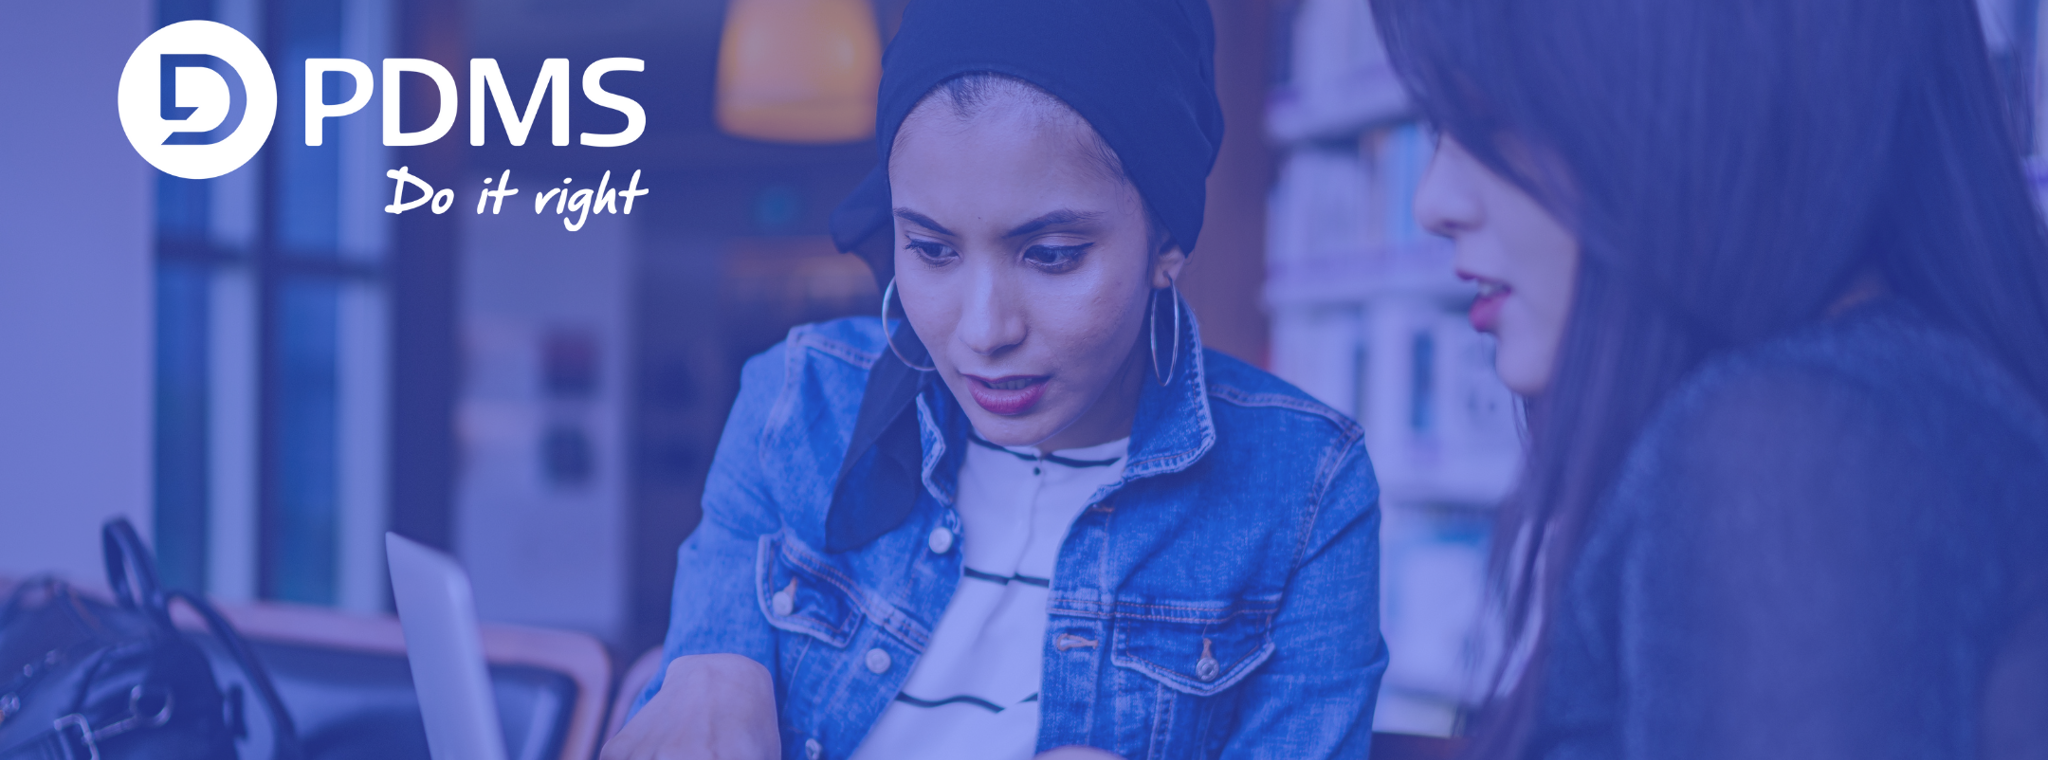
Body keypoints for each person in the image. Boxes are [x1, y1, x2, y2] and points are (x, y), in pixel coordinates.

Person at [602, 0, 1388, 758]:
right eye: (933, 250)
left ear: (1167, 241)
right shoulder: (799, 400)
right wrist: (706, 670)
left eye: (1050, 255)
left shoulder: (1305, 487)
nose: (982, 330)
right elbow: (692, 686)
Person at [1373, 0, 2048, 756]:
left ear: (1698, 95)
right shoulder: (1888, 402)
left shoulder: (1795, 448)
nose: (1433, 203)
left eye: (1489, 120)